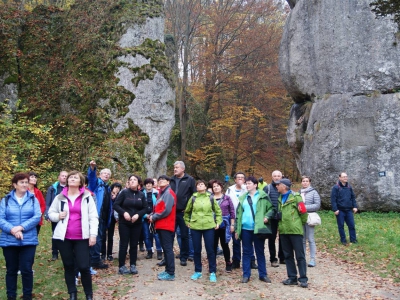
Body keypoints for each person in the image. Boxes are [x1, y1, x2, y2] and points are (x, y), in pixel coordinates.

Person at [48, 171, 98, 300]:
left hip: (82, 237)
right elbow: (51, 213)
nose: (72, 179)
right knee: (69, 265)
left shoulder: (87, 197)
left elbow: (93, 217)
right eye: (70, 177)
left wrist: (93, 235)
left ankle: (89, 295)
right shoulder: (60, 197)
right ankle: (72, 293)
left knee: (83, 266)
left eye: (75, 177)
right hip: (64, 238)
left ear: (81, 182)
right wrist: (58, 216)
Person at [0, 173, 42, 300]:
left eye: (26, 182)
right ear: (15, 185)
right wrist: (13, 229)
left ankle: (27, 296)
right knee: (11, 270)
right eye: (22, 182)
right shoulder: (5, 200)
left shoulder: (33, 199)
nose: (25, 184)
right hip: (9, 240)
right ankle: (11, 296)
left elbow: (36, 217)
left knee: (26, 270)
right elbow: (1, 219)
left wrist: (21, 227)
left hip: (28, 240)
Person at [235, 176, 275, 284]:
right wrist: (237, 230)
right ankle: (246, 275)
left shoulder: (263, 196)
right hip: (245, 229)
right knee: (246, 252)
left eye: (249, 183)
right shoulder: (243, 197)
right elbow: (238, 214)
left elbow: (271, 208)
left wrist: (267, 216)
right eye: (246, 183)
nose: (247, 185)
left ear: (255, 185)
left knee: (260, 252)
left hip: (258, 229)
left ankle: (263, 274)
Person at [184, 180, 222, 283]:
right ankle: (198, 271)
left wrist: (218, 222)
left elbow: (218, 211)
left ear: (205, 187)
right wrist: (187, 222)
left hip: (209, 226)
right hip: (195, 226)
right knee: (197, 250)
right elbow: (187, 212)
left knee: (210, 250)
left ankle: (212, 272)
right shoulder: (193, 198)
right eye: (198, 185)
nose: (200, 186)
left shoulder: (210, 197)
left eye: (202, 184)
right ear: (196, 188)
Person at [276, 178, 308, 288]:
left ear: (284, 186)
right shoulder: (279, 198)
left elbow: (303, 212)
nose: (276, 186)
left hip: (295, 231)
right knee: (288, 255)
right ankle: (292, 277)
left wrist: (297, 223)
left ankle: (303, 278)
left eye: (278, 185)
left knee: (300, 255)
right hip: (284, 231)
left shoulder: (296, 197)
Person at [113, 174, 147, 275]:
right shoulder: (124, 193)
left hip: (136, 223)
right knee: (123, 244)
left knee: (133, 244)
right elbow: (116, 205)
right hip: (124, 223)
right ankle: (121, 266)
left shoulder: (141, 195)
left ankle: (133, 265)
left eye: (134, 180)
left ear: (138, 183)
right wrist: (124, 213)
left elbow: (145, 208)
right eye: (130, 180)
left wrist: (138, 214)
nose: (132, 181)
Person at [226, 172, 257, 269]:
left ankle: (251, 260)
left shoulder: (247, 188)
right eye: (238, 177)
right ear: (234, 179)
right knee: (235, 240)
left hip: (245, 218)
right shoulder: (229, 190)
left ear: (244, 180)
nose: (240, 179)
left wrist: (243, 186)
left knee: (248, 241)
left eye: (242, 178)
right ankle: (236, 260)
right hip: (234, 217)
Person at [149, 175, 177, 281]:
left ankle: (170, 273)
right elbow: (157, 208)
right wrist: (152, 214)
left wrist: (154, 216)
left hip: (166, 225)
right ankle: (167, 270)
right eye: (159, 180)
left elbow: (166, 210)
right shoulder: (161, 193)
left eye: (163, 180)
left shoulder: (169, 193)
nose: (161, 181)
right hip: (161, 225)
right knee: (165, 248)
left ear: (168, 182)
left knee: (168, 249)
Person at [169, 161, 196, 266]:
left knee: (184, 235)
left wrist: (188, 208)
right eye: (174, 167)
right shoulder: (171, 179)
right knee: (170, 235)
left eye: (177, 167)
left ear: (183, 169)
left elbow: (194, 195)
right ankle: (168, 257)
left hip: (183, 212)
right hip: (171, 212)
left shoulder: (189, 180)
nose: (175, 169)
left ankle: (184, 256)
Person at [87, 161, 111, 269]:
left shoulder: (107, 187)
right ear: (100, 175)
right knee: (95, 237)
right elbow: (91, 178)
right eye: (104, 173)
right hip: (96, 216)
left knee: (100, 238)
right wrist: (92, 169)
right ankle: (94, 260)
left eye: (108, 174)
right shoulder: (96, 184)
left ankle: (95, 258)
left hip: (104, 217)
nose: (106, 175)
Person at [210, 179, 235, 272]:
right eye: (214, 186)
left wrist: (232, 224)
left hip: (224, 224)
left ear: (221, 187)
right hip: (212, 224)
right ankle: (212, 264)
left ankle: (228, 263)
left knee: (225, 244)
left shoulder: (227, 198)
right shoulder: (210, 198)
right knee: (213, 245)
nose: (216, 188)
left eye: (217, 186)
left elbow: (232, 211)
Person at [263, 170, 285, 267]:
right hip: (271, 218)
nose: (277, 177)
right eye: (275, 176)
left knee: (283, 238)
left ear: (281, 177)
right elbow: (263, 203)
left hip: (284, 217)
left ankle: (282, 257)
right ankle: (273, 258)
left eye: (278, 176)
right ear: (272, 177)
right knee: (271, 238)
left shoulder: (285, 187)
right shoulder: (267, 188)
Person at [45, 171, 68, 260]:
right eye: (62, 176)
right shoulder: (53, 188)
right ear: (59, 177)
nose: (64, 177)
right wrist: (47, 214)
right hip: (56, 214)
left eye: (66, 176)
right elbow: (48, 202)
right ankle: (55, 253)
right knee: (55, 233)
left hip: (66, 215)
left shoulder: (70, 188)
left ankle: (65, 252)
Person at [330, 172, 358, 245]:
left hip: (349, 210)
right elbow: (333, 199)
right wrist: (335, 209)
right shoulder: (336, 187)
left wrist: (355, 206)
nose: (345, 178)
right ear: (340, 178)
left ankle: (353, 239)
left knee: (351, 225)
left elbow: (353, 197)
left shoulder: (349, 187)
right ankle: (343, 240)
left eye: (346, 176)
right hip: (340, 210)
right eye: (343, 177)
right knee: (341, 226)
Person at [300, 176, 321, 267]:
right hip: (301, 217)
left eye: (306, 181)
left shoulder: (314, 192)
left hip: (310, 217)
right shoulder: (299, 193)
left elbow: (317, 205)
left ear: (309, 182)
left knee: (311, 239)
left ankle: (312, 259)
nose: (305, 183)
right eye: (303, 181)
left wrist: (304, 208)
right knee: (302, 239)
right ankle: (303, 258)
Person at [142, 178, 163, 260]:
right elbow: (139, 207)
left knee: (156, 235)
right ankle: (149, 251)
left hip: (155, 218)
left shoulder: (157, 193)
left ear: (153, 184)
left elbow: (160, 206)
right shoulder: (141, 194)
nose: (148, 185)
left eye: (150, 183)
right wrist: (145, 215)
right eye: (147, 184)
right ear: (145, 185)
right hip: (145, 218)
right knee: (146, 235)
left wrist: (153, 216)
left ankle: (159, 252)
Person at [102, 182, 122, 261]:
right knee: (103, 237)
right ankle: (103, 254)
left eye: (118, 188)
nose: (117, 189)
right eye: (115, 187)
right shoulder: (107, 194)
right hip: (105, 217)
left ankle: (109, 254)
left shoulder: (120, 196)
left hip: (113, 219)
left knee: (110, 237)